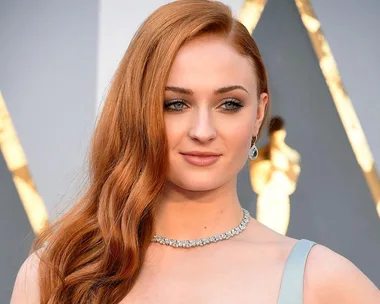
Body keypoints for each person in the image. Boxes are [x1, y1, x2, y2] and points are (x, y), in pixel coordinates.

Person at [11, 1, 379, 303]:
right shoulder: (54, 275)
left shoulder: (323, 282)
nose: (202, 131)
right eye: (175, 104)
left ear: (258, 115)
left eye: (229, 104)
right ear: (139, 111)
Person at [250, 116, 301, 235]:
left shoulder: (290, 156)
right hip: (267, 199)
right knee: (265, 235)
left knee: (279, 235)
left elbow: (291, 183)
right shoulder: (261, 154)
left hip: (281, 199)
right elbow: (257, 183)